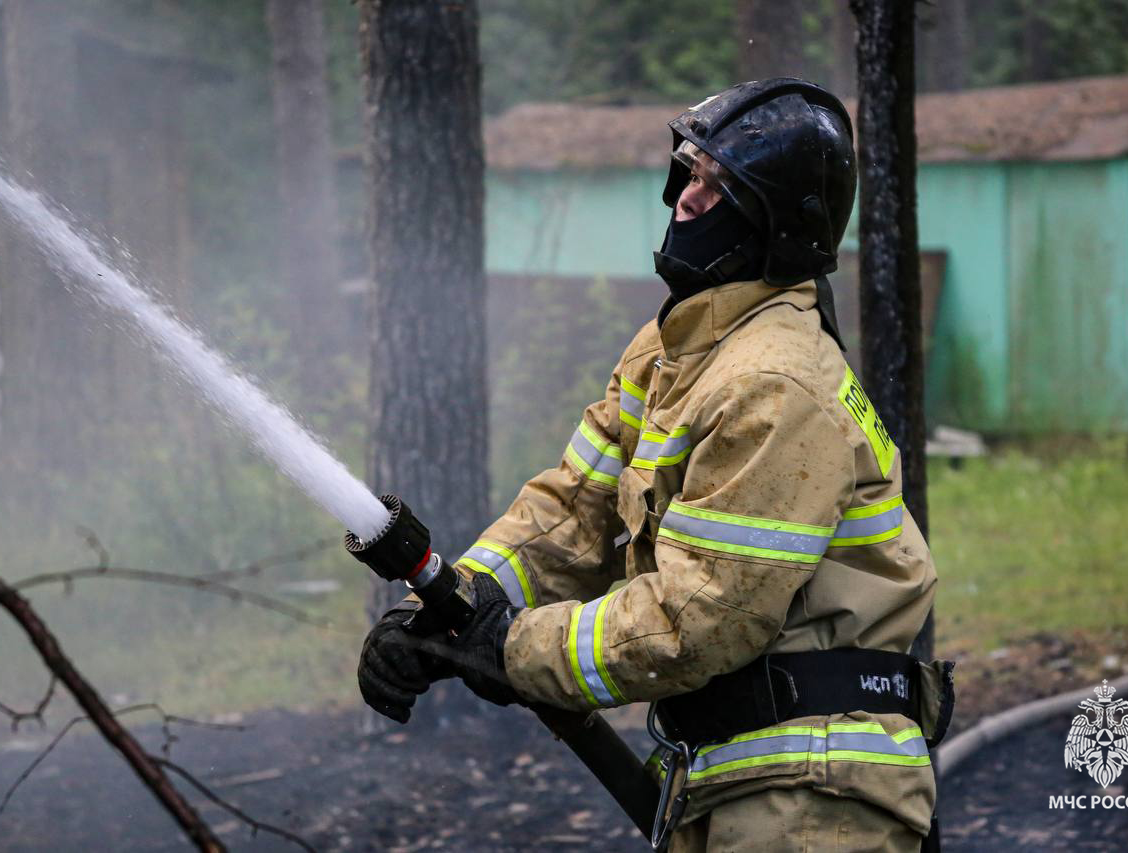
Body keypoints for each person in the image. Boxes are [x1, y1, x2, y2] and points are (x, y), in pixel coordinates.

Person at [358, 78, 953, 852]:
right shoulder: (673, 352)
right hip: (737, 774)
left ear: (778, 224)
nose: (689, 200)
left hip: (818, 793)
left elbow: (697, 619)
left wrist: (510, 648)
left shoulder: (773, 384)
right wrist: (452, 605)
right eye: (690, 173)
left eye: (722, 186)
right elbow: (574, 510)